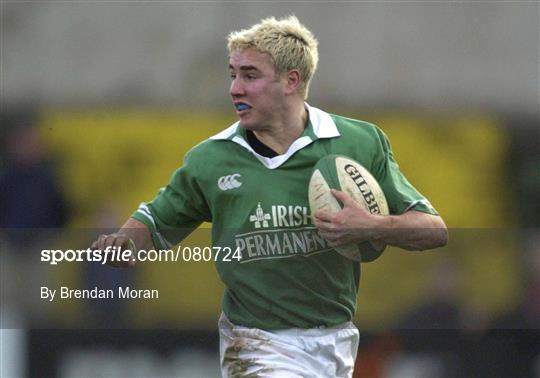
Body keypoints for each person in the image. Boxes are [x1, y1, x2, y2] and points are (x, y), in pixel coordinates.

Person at [92, 15, 447, 377]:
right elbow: (151, 225)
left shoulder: (359, 142)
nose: (234, 88)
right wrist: (121, 244)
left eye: (250, 75)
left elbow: (434, 230)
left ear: (291, 80)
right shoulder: (210, 160)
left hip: (336, 342)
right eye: (233, 74)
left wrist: (373, 225)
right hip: (254, 343)